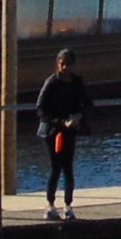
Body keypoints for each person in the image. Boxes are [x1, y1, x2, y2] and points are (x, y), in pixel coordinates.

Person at [34, 48, 91, 219]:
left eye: (69, 64)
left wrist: (78, 117)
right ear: (58, 64)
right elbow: (40, 108)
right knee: (55, 167)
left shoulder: (77, 83)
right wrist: (58, 121)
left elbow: (89, 104)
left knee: (68, 168)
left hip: (69, 130)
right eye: (62, 64)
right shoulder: (52, 82)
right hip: (51, 131)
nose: (65, 67)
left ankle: (68, 205)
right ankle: (50, 205)